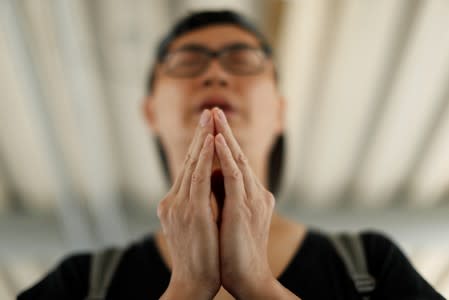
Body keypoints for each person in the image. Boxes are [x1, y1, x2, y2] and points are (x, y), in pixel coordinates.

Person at [18, 10, 445, 300]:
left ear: (278, 110)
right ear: (150, 110)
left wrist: (258, 285)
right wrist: (186, 289)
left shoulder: (370, 266)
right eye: (187, 61)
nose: (215, 73)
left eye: (242, 60)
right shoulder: (83, 283)